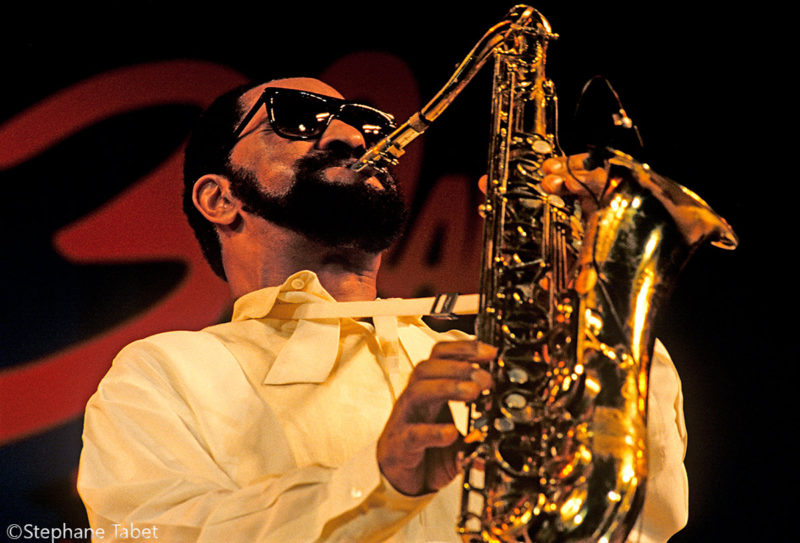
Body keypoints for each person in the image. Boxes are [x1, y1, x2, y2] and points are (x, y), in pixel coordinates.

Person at [77, 77, 688, 542]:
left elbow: (649, 520)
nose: (352, 136)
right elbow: (148, 533)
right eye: (297, 120)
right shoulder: (165, 371)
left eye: (362, 121)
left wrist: (592, 308)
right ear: (219, 198)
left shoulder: (503, 353)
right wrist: (378, 480)